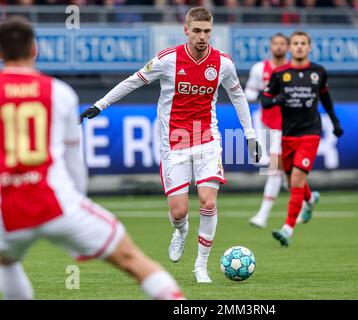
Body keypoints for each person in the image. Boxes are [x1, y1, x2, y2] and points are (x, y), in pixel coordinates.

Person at [0, 16, 184, 300]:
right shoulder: (59, 93)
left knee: (7, 263)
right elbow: (74, 158)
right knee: (132, 259)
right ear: (34, 49)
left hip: (8, 209)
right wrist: (78, 203)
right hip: (57, 203)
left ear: (1, 53)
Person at [80, 7, 261, 282]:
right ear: (186, 30)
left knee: (208, 202)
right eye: (197, 31)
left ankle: (201, 266)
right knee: (179, 212)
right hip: (174, 142)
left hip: (207, 140)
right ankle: (181, 230)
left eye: (207, 31)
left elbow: (238, 96)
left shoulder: (223, 63)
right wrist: (100, 105)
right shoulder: (167, 60)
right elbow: (133, 82)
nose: (202, 37)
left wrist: (249, 133)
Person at [261, 31, 344, 247]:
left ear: (309, 47)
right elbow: (265, 100)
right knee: (292, 183)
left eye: (303, 43)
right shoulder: (280, 73)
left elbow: (325, 98)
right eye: (295, 43)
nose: (299, 47)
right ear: (290, 48)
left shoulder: (319, 72)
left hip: (310, 132)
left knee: (296, 180)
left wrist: (335, 122)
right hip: (288, 134)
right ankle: (309, 199)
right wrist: (277, 99)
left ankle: (287, 229)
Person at [244, 33, 289, 229]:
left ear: (287, 47)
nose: (278, 47)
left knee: (273, 167)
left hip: (288, 125)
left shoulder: (293, 70)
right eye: (275, 43)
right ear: (271, 46)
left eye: (282, 44)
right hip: (265, 123)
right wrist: (262, 94)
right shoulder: (259, 68)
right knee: (272, 166)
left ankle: (262, 215)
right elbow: (248, 92)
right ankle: (304, 195)